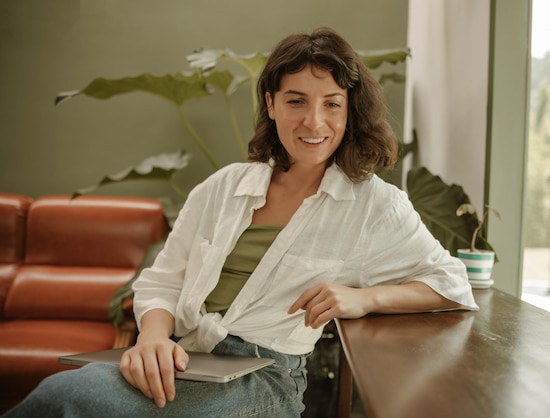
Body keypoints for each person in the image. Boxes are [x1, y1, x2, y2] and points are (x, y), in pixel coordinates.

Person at [4, 27, 478, 417]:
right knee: (55, 397)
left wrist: (364, 297)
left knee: (73, 404)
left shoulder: (375, 205)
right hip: (181, 357)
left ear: (349, 110)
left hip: (264, 379)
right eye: (296, 101)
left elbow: (451, 284)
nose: (314, 122)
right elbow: (163, 280)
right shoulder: (224, 186)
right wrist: (150, 340)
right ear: (271, 105)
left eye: (331, 103)